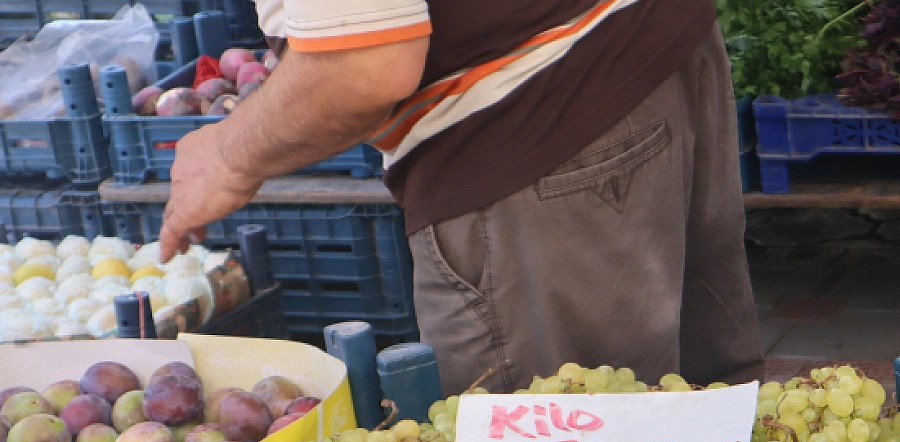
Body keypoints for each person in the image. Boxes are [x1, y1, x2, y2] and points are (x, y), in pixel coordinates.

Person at [158, 0, 763, 395]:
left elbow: (364, 67)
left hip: (535, 123)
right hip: (645, 47)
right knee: (700, 420)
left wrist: (229, 156)